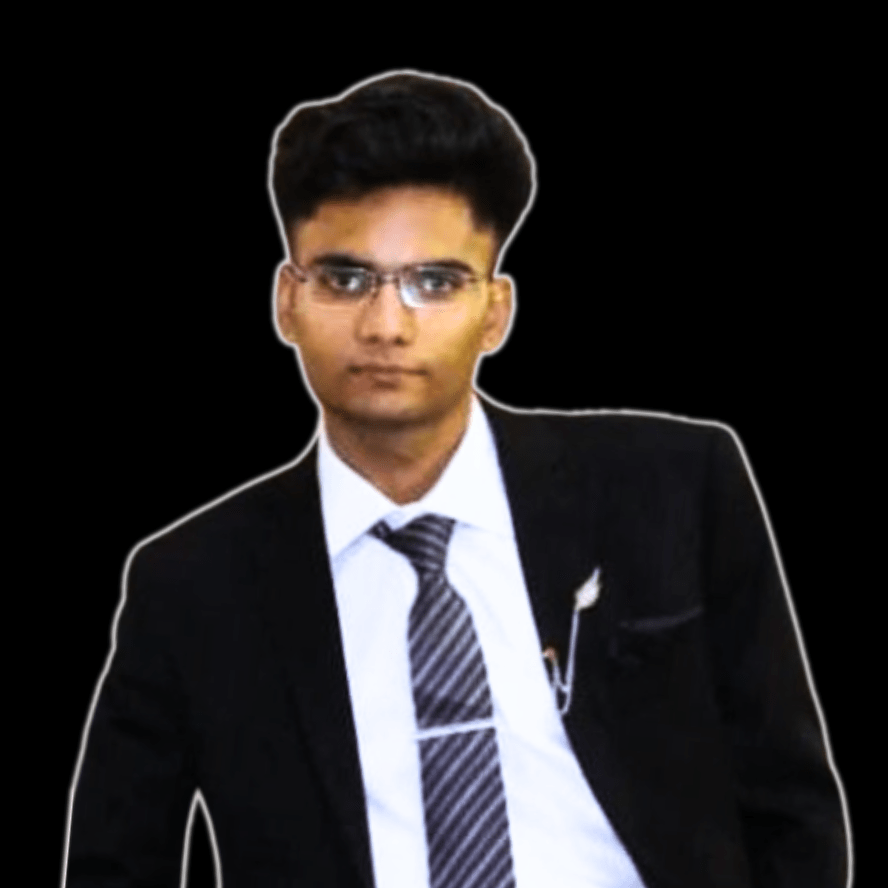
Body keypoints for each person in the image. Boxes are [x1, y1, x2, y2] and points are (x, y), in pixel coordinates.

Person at [63, 70, 849, 887]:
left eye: (434, 283)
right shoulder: (193, 587)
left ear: (495, 311)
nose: (386, 325)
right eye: (345, 279)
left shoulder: (672, 490)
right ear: (287, 301)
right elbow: (114, 866)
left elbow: (791, 808)